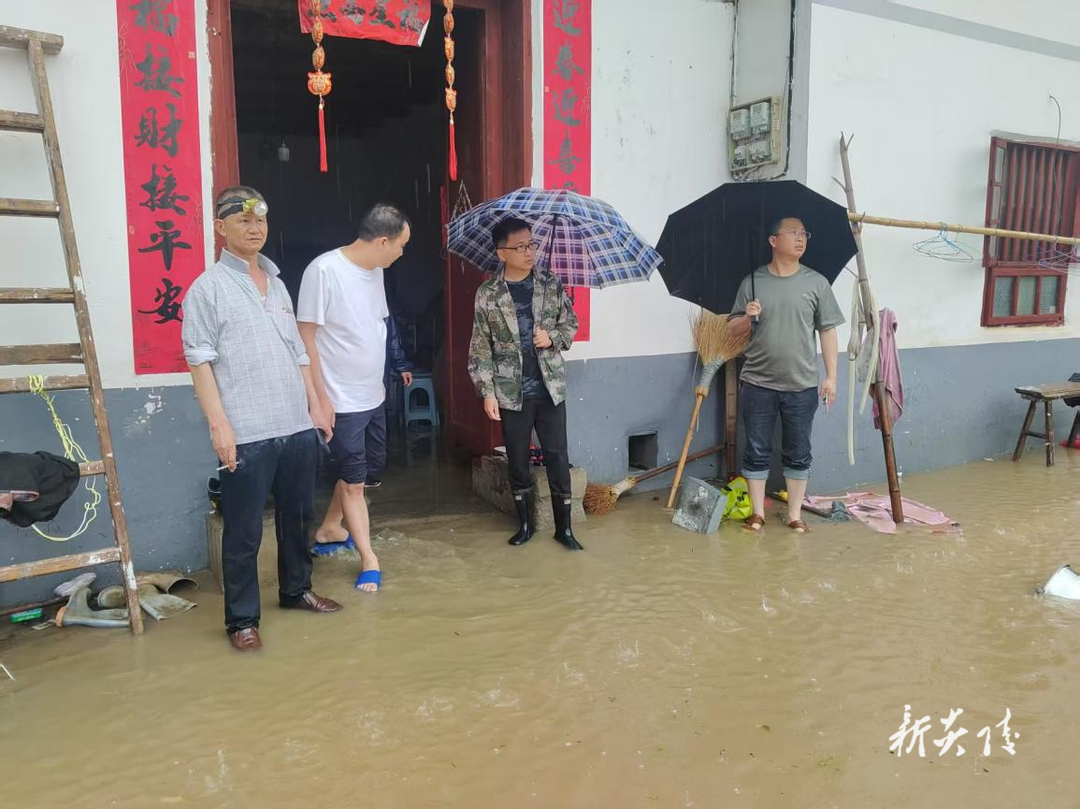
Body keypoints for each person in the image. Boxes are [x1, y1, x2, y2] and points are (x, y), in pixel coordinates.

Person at [182, 186, 341, 653]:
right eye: (243, 220)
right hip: (247, 428)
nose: (254, 228)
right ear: (221, 227)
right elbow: (199, 361)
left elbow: (298, 350)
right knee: (244, 531)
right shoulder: (206, 289)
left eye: (260, 221)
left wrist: (316, 403)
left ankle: (296, 591)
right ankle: (242, 620)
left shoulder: (277, 282)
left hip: (294, 421)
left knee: (298, 517)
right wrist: (219, 425)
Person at [297, 203, 411, 592]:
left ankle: (331, 527)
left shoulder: (375, 271)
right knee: (355, 484)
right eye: (400, 245)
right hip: (340, 400)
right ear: (382, 241)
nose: (401, 253)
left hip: (371, 395)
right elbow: (305, 337)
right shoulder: (324, 271)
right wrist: (318, 400)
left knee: (362, 474)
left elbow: (375, 326)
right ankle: (369, 559)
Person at [468, 217, 582, 550]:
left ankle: (565, 529)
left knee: (557, 457)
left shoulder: (549, 283)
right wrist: (486, 391)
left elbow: (570, 323)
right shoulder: (488, 294)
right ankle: (526, 525)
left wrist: (553, 337)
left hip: (550, 388)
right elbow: (480, 346)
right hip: (510, 392)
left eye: (532, 244)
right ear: (501, 253)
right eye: (520, 247)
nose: (529, 251)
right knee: (518, 459)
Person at [729, 216, 844, 533]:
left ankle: (794, 515)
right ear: (772, 240)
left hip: (802, 384)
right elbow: (730, 330)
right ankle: (757, 514)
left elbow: (828, 331)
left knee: (798, 450)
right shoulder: (753, 282)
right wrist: (747, 318)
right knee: (755, 449)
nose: (800, 238)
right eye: (792, 233)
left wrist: (831, 377)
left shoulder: (816, 283)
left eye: (804, 233)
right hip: (757, 382)